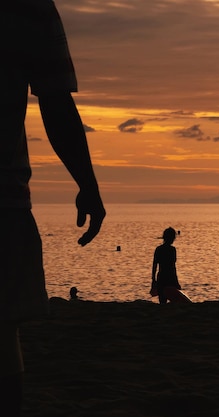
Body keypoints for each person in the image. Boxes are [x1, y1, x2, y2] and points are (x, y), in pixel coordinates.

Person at [1, 2, 106, 415]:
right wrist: (87, 184)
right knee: (2, 339)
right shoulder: (29, 7)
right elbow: (56, 105)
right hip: (3, 204)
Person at [152, 227, 182, 304]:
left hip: (161, 277)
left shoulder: (158, 249)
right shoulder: (172, 250)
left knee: (162, 301)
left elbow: (155, 265)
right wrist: (176, 281)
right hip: (170, 278)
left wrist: (153, 279)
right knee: (174, 301)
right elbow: (173, 267)